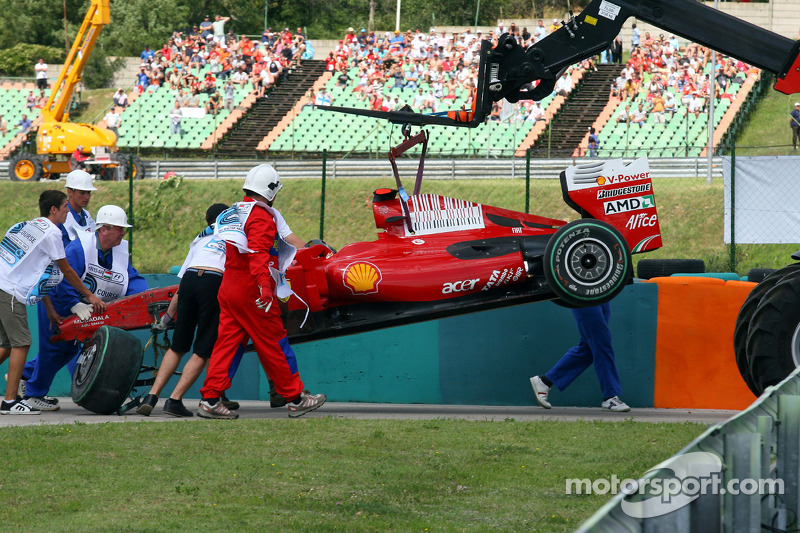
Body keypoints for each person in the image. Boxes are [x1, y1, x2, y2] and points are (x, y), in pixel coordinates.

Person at [197, 164, 326, 419]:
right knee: (275, 343)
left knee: (227, 345)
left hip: (229, 285)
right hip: (252, 289)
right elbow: (259, 255)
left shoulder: (234, 210)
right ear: (271, 191)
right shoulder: (261, 216)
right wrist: (265, 289)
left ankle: (210, 399)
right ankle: (296, 398)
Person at [20, 205, 146, 409]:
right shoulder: (79, 248)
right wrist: (72, 304)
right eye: (119, 228)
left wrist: (140, 297)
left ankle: (26, 378)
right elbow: (63, 278)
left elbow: (130, 277)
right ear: (103, 229)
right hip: (58, 301)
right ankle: (34, 394)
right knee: (53, 348)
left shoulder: (119, 251)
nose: (124, 233)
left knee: (68, 351)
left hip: (86, 306)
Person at [0, 190, 105, 414]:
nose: (69, 211)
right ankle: (9, 402)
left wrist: (49, 310)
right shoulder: (52, 233)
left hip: (4, 286)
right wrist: (90, 295)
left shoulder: (28, 226)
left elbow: (40, 275)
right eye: (65, 206)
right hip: (9, 290)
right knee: (22, 343)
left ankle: (10, 399)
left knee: (6, 345)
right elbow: (66, 270)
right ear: (54, 210)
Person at [137, 204, 230, 417]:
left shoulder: (199, 238)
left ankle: (151, 397)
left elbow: (180, 289)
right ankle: (174, 400)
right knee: (203, 350)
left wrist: (167, 318)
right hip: (214, 281)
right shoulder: (234, 235)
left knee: (178, 346)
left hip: (190, 280)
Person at [530, 303, 630, 412]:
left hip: (602, 294)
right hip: (584, 295)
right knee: (601, 343)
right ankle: (610, 396)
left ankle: (545, 381)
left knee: (589, 348)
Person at [59, 169, 96, 246]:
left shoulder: (87, 215)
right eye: (82, 193)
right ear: (69, 192)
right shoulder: (61, 218)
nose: (86, 197)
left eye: (89, 192)